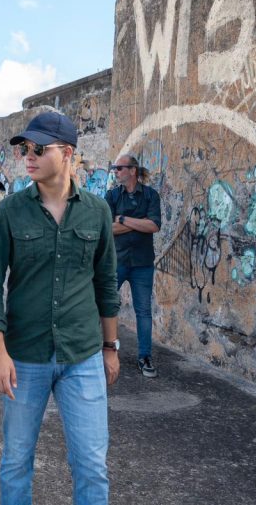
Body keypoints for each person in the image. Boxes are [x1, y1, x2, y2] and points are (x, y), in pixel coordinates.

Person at [0, 111, 119, 505]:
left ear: (68, 152)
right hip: (24, 356)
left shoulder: (97, 212)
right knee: (16, 460)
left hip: (83, 354)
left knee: (91, 463)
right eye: (25, 149)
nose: (29, 156)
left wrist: (111, 347)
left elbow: (106, 284)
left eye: (39, 148)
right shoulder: (10, 210)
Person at [106, 154, 162, 378]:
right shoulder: (111, 196)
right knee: (106, 306)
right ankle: (102, 351)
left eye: (119, 168)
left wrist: (123, 220)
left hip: (142, 263)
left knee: (143, 312)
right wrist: (138, 224)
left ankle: (145, 356)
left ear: (132, 170)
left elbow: (154, 225)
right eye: (115, 168)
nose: (116, 171)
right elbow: (107, 228)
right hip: (116, 260)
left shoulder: (150, 196)